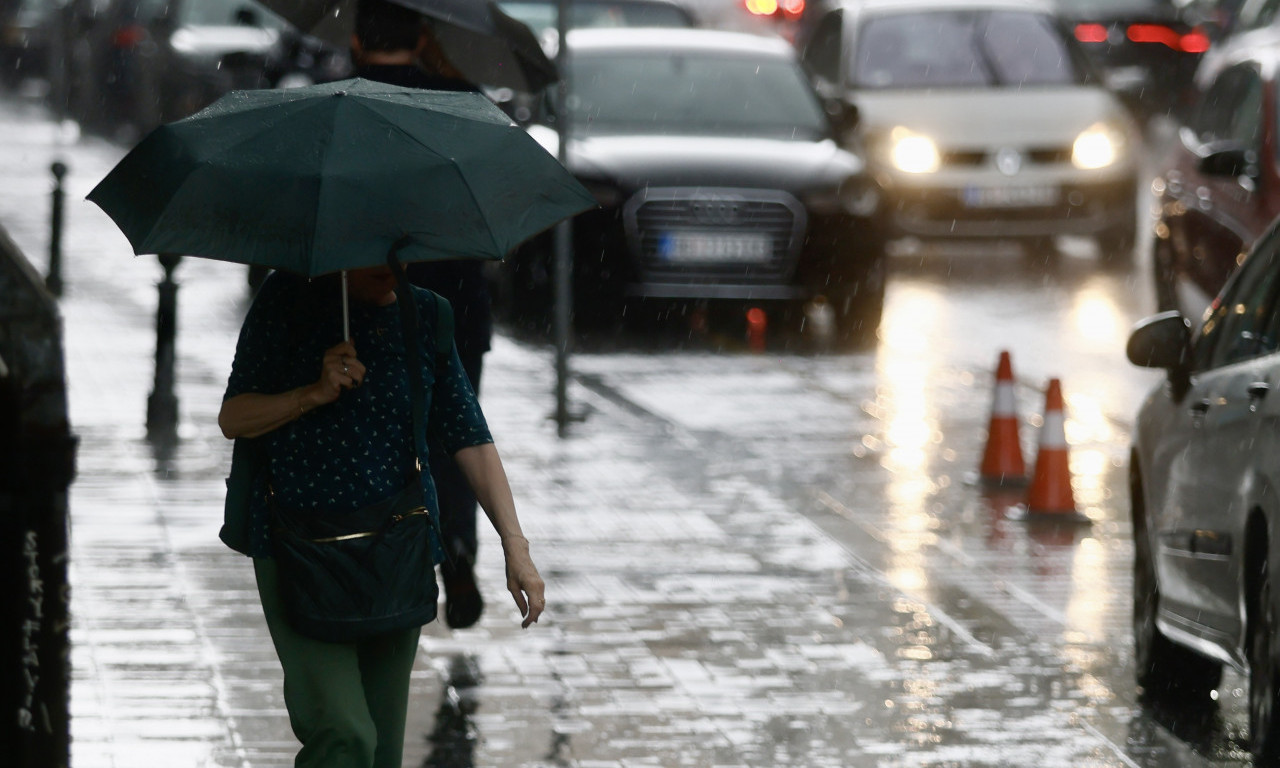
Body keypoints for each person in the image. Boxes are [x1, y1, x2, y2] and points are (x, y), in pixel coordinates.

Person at [218, 266, 544, 768]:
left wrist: (515, 547)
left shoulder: (426, 314)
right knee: (345, 736)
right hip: (297, 547)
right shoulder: (286, 298)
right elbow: (234, 416)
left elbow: (470, 436)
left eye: (398, 250)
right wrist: (312, 393)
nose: (389, 267)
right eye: (373, 253)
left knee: (383, 751)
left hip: (396, 550)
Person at [351, 0, 496, 630]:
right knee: (455, 435)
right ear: (423, 36)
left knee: (379, 440)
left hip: (372, 301)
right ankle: (457, 548)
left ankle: (392, 558)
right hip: (457, 306)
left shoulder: (344, 106)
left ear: (357, 40)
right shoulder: (461, 103)